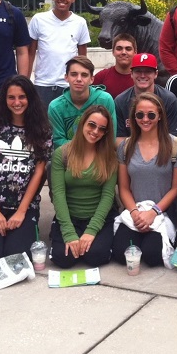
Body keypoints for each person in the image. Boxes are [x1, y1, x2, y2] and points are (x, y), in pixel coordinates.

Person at [0, 75, 52, 268]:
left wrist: (22, 211)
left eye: (22, 97)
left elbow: (39, 173)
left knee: (18, 260)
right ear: (4, 100)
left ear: (30, 98)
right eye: (11, 97)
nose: (17, 102)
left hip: (23, 205)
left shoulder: (42, 129)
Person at [112, 93, 177, 267]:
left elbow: (176, 188)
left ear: (160, 116)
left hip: (162, 212)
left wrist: (153, 212)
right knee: (121, 253)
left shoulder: (176, 146)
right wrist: (135, 213)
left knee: (152, 256)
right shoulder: (125, 147)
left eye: (151, 115)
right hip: (134, 211)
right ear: (133, 117)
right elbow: (123, 187)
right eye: (140, 115)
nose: (145, 119)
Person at [50, 106, 118, 268]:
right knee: (62, 259)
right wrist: (69, 233)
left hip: (98, 216)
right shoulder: (62, 153)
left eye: (102, 129)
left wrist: (91, 231)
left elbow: (108, 195)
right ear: (82, 124)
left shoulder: (110, 157)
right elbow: (58, 193)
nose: (95, 131)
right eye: (91, 125)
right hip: (70, 215)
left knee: (96, 257)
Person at [27, 0, 90, 108]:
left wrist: (84, 82)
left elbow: (83, 59)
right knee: (41, 125)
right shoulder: (38, 19)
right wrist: (25, 82)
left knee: (69, 126)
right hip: (42, 85)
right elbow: (30, 53)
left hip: (68, 86)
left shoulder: (80, 22)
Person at [47, 56, 116, 148]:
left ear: (92, 79)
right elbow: (58, 141)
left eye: (84, 75)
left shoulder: (105, 100)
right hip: (68, 157)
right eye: (74, 74)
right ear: (66, 77)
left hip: (100, 155)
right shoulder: (55, 107)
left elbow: (110, 137)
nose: (79, 79)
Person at [114, 53, 177, 139]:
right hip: (130, 150)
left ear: (156, 74)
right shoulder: (121, 100)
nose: (142, 75)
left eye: (148, 71)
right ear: (131, 73)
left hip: (163, 149)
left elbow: (174, 136)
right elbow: (119, 138)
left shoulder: (168, 99)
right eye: (138, 71)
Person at [93, 33, 136, 98]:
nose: (123, 52)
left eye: (128, 49)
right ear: (113, 52)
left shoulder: (141, 78)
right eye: (119, 49)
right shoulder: (101, 77)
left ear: (135, 52)